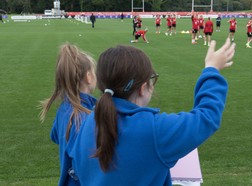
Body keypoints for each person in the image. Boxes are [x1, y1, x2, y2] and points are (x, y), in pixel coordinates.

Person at [71, 38, 236, 185]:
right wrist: (212, 69)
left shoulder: (88, 121)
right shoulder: (154, 130)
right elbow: (207, 117)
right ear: (143, 88)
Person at [40, 43, 97, 186]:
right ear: (89, 77)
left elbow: (55, 135)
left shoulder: (64, 108)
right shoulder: (85, 118)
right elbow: (87, 165)